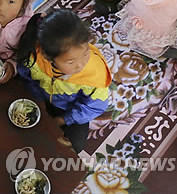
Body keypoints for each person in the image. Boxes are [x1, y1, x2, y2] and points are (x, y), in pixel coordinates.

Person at [16, 9, 111, 153]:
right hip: (42, 97)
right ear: (47, 56)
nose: (80, 65)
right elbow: (27, 78)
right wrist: (39, 103)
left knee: (75, 146)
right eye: (70, 61)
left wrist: (62, 120)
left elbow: (95, 106)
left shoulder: (94, 75)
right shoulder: (36, 58)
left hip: (68, 108)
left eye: (86, 53)